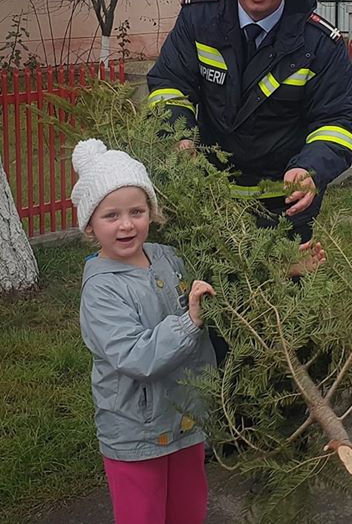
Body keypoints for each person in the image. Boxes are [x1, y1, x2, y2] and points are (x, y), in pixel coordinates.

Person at [146, 0, 352, 253]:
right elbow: (169, 84)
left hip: (284, 207)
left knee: (283, 301)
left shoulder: (320, 43)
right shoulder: (198, 20)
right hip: (206, 200)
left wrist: (310, 168)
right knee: (203, 299)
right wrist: (179, 137)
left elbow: (339, 121)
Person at [72, 138, 217, 524]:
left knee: (188, 510)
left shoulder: (167, 257)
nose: (126, 224)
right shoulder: (101, 289)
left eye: (137, 210)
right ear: (89, 225)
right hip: (135, 432)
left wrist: (283, 268)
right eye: (111, 215)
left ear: (151, 212)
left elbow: (219, 289)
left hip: (186, 417)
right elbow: (135, 355)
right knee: (143, 515)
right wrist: (189, 323)